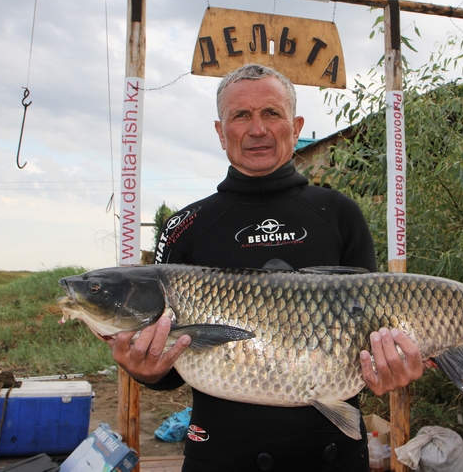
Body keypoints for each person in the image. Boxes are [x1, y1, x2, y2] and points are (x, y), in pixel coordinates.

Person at [109, 64, 424, 472]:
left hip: (334, 455)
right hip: (220, 457)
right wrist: (144, 370)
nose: (257, 128)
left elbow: (372, 338)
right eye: (241, 115)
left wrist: (388, 369)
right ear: (221, 132)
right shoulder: (185, 226)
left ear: (295, 126)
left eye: (271, 113)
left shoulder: (340, 213)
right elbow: (173, 371)